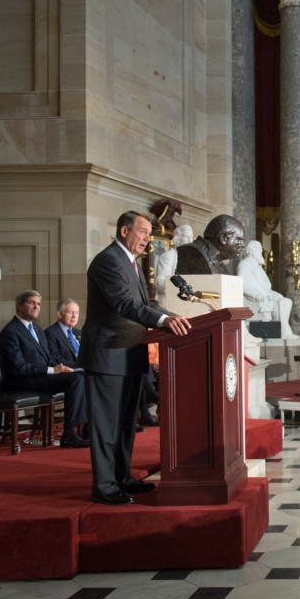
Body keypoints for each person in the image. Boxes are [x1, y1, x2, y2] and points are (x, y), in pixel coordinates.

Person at [83, 211, 191, 505]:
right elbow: (124, 303)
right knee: (107, 425)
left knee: (126, 424)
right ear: (123, 231)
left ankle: (122, 477)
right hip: (108, 354)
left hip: (130, 353)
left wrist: (172, 315)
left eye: (148, 233)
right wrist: (162, 321)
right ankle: (104, 486)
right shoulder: (108, 261)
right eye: (142, 232)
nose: (147, 238)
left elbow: (147, 302)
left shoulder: (131, 263)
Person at [0, 290, 90, 448]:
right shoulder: (10, 332)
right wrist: (52, 370)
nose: (36, 306)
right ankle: (69, 434)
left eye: (38, 304)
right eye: (31, 303)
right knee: (76, 380)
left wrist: (64, 368)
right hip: (21, 380)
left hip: (41, 377)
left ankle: (87, 429)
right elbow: (18, 366)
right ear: (20, 306)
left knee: (84, 375)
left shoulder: (38, 331)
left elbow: (50, 358)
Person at [174, 214, 246, 276]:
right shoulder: (191, 253)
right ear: (223, 238)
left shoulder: (219, 262)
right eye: (239, 239)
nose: (243, 245)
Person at [237, 240, 286, 322]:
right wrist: (256, 294)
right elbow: (241, 284)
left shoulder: (258, 266)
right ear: (250, 251)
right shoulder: (245, 264)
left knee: (285, 301)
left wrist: (272, 293)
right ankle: (283, 330)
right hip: (254, 299)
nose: (260, 251)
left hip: (266, 297)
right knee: (281, 304)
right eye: (257, 248)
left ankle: (283, 330)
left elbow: (264, 286)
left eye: (260, 248)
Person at [152, 224, 191, 303]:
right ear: (178, 238)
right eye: (187, 237)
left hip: (187, 301)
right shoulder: (168, 256)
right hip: (169, 301)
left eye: (191, 237)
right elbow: (160, 282)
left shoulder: (192, 258)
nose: (190, 240)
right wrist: (179, 284)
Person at [45, 298, 83, 369]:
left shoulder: (80, 333)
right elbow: (56, 358)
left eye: (77, 312)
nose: (74, 316)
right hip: (67, 372)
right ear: (60, 314)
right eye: (71, 312)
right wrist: (80, 367)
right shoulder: (50, 333)